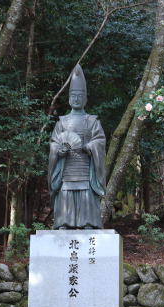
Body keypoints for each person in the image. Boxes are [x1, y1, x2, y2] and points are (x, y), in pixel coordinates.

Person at [48, 64, 106, 229]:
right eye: (73, 95)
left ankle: (88, 222)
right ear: (69, 97)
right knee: (65, 193)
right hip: (67, 168)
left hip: (85, 168)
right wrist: (59, 150)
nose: (76, 99)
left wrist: (91, 146)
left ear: (85, 98)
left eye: (80, 96)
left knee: (86, 194)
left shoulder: (92, 121)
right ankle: (63, 222)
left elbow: (100, 140)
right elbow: (53, 142)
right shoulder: (62, 122)